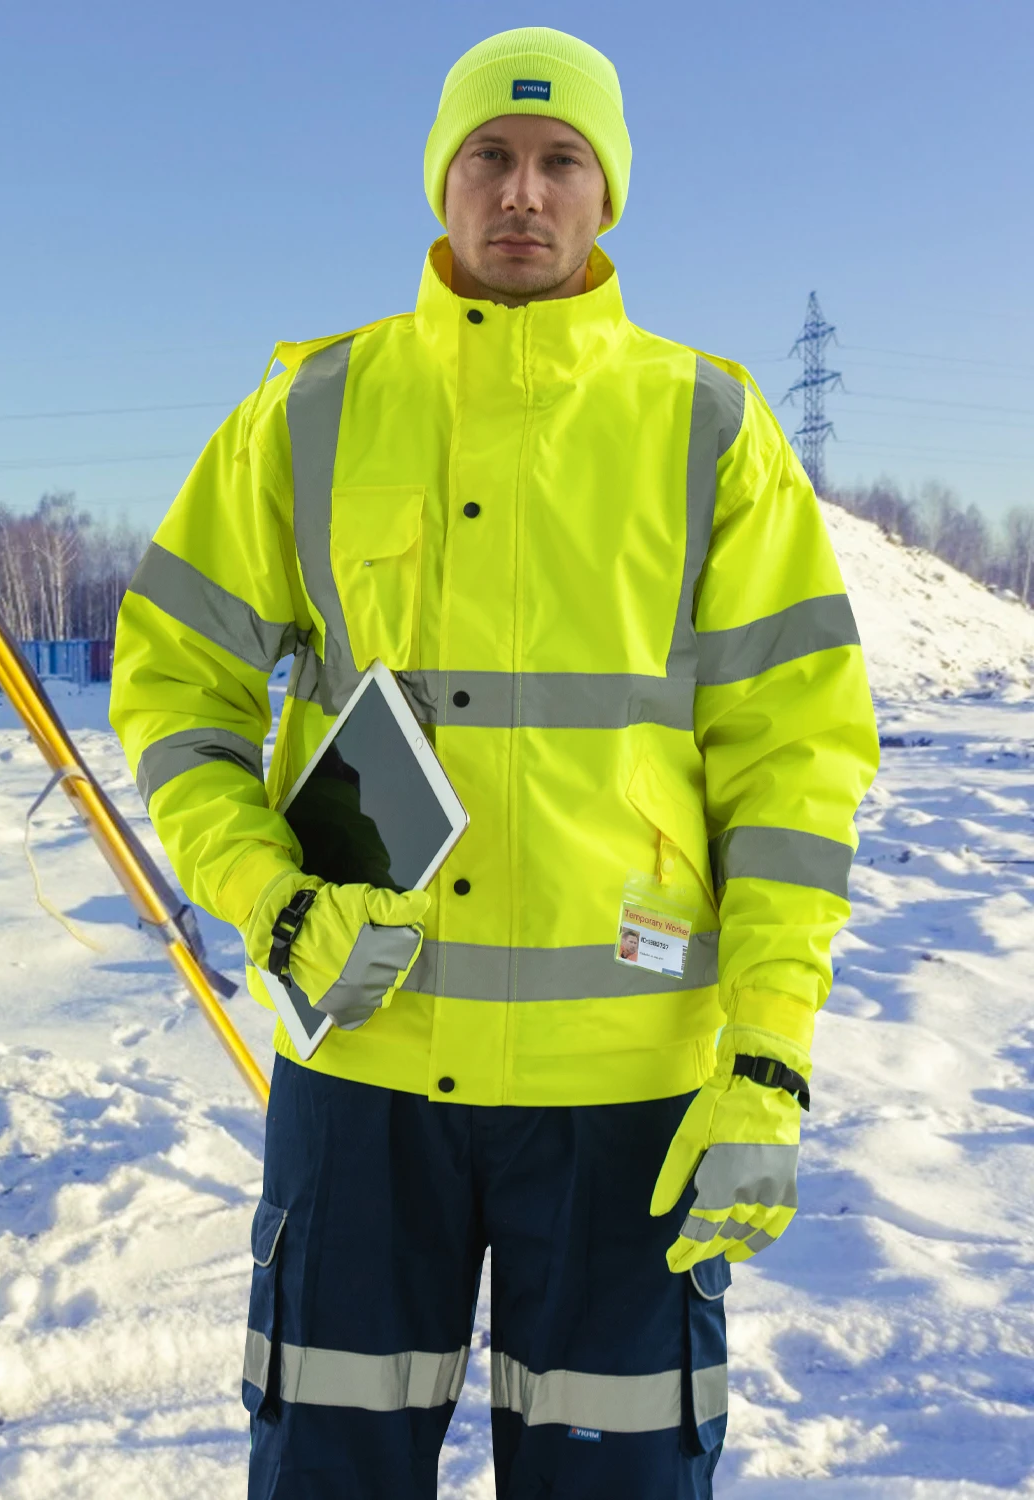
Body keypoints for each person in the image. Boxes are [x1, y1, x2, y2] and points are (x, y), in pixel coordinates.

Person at [110, 25, 877, 1498]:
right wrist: (272, 899)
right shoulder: (312, 405)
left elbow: (796, 765)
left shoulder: (710, 425)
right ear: (441, 185)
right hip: (366, 1072)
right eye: (490, 159)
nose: (521, 194)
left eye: (559, 162)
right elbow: (172, 682)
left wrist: (768, 1059)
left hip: (626, 1101)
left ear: (608, 198)